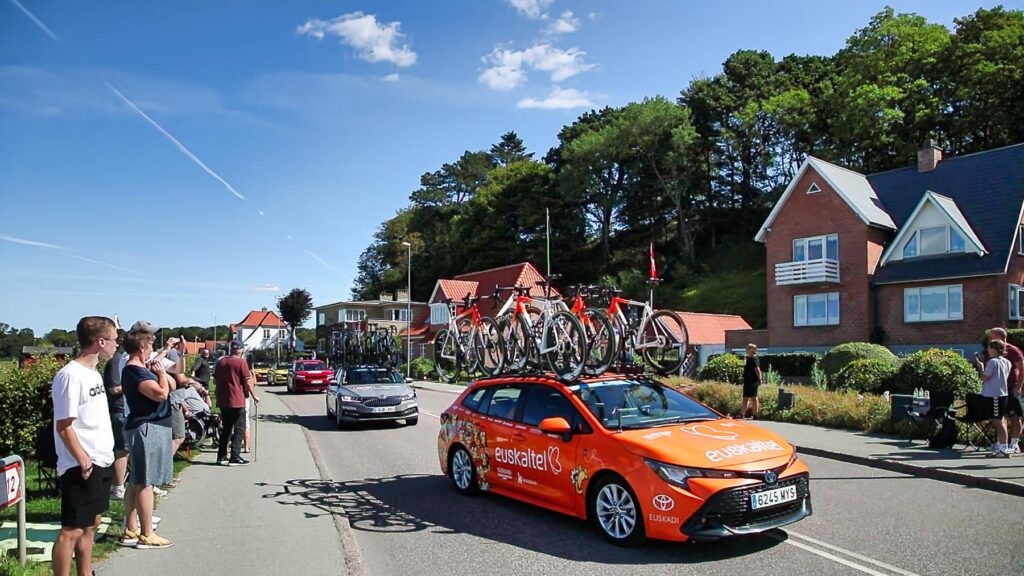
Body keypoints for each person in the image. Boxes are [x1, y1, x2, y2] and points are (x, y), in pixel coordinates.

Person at [51, 316, 117, 576]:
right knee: (72, 529)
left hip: (102, 458)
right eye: (114, 340)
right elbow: (64, 425)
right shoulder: (70, 375)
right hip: (80, 464)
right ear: (100, 342)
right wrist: (82, 459)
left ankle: (86, 572)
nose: (116, 345)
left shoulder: (94, 374)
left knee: (91, 524)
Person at [120, 329, 176, 548]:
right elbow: (161, 393)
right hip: (147, 427)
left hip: (149, 425)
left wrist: (160, 371)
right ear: (142, 347)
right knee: (145, 481)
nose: (152, 349)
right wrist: (161, 374)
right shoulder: (135, 372)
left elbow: (169, 387)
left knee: (136, 481)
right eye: (150, 346)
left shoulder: (140, 369)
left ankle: (131, 529)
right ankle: (146, 533)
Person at [215, 342, 260, 465]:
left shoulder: (221, 362)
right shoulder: (241, 362)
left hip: (223, 400)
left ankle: (221, 456)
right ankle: (234, 456)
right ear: (241, 350)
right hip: (237, 400)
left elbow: (215, 380)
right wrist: (254, 396)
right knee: (239, 428)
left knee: (226, 429)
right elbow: (248, 382)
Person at [987, 328, 1023, 454]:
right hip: (999, 389)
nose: (990, 339)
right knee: (1000, 416)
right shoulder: (993, 351)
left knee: (1014, 416)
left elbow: (1022, 369)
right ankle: (1001, 443)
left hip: (1011, 387)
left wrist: (1018, 387)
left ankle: (1014, 443)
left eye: (992, 337)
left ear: (1000, 337)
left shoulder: (1013, 351)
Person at [102, 336, 128, 501]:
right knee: (122, 450)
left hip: (124, 410)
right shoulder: (116, 361)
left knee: (125, 450)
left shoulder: (122, 360)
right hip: (118, 410)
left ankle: (119, 485)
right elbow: (114, 388)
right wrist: (135, 385)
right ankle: (117, 488)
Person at [976, 339, 1012, 458]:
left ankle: (1003, 449)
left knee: (998, 421)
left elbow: (985, 378)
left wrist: (981, 367)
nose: (988, 350)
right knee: (1000, 420)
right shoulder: (1007, 362)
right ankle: (1001, 446)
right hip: (1002, 394)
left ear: (995, 349)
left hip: (994, 395)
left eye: (990, 348)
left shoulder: (992, 362)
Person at [740, 344, 762, 419]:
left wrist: (760, 379)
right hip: (747, 381)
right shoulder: (747, 359)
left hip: (753, 381)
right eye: (747, 348)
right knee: (745, 397)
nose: (747, 349)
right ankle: (742, 414)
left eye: (749, 348)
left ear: (753, 350)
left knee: (753, 397)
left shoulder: (754, 359)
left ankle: (755, 414)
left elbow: (757, 370)